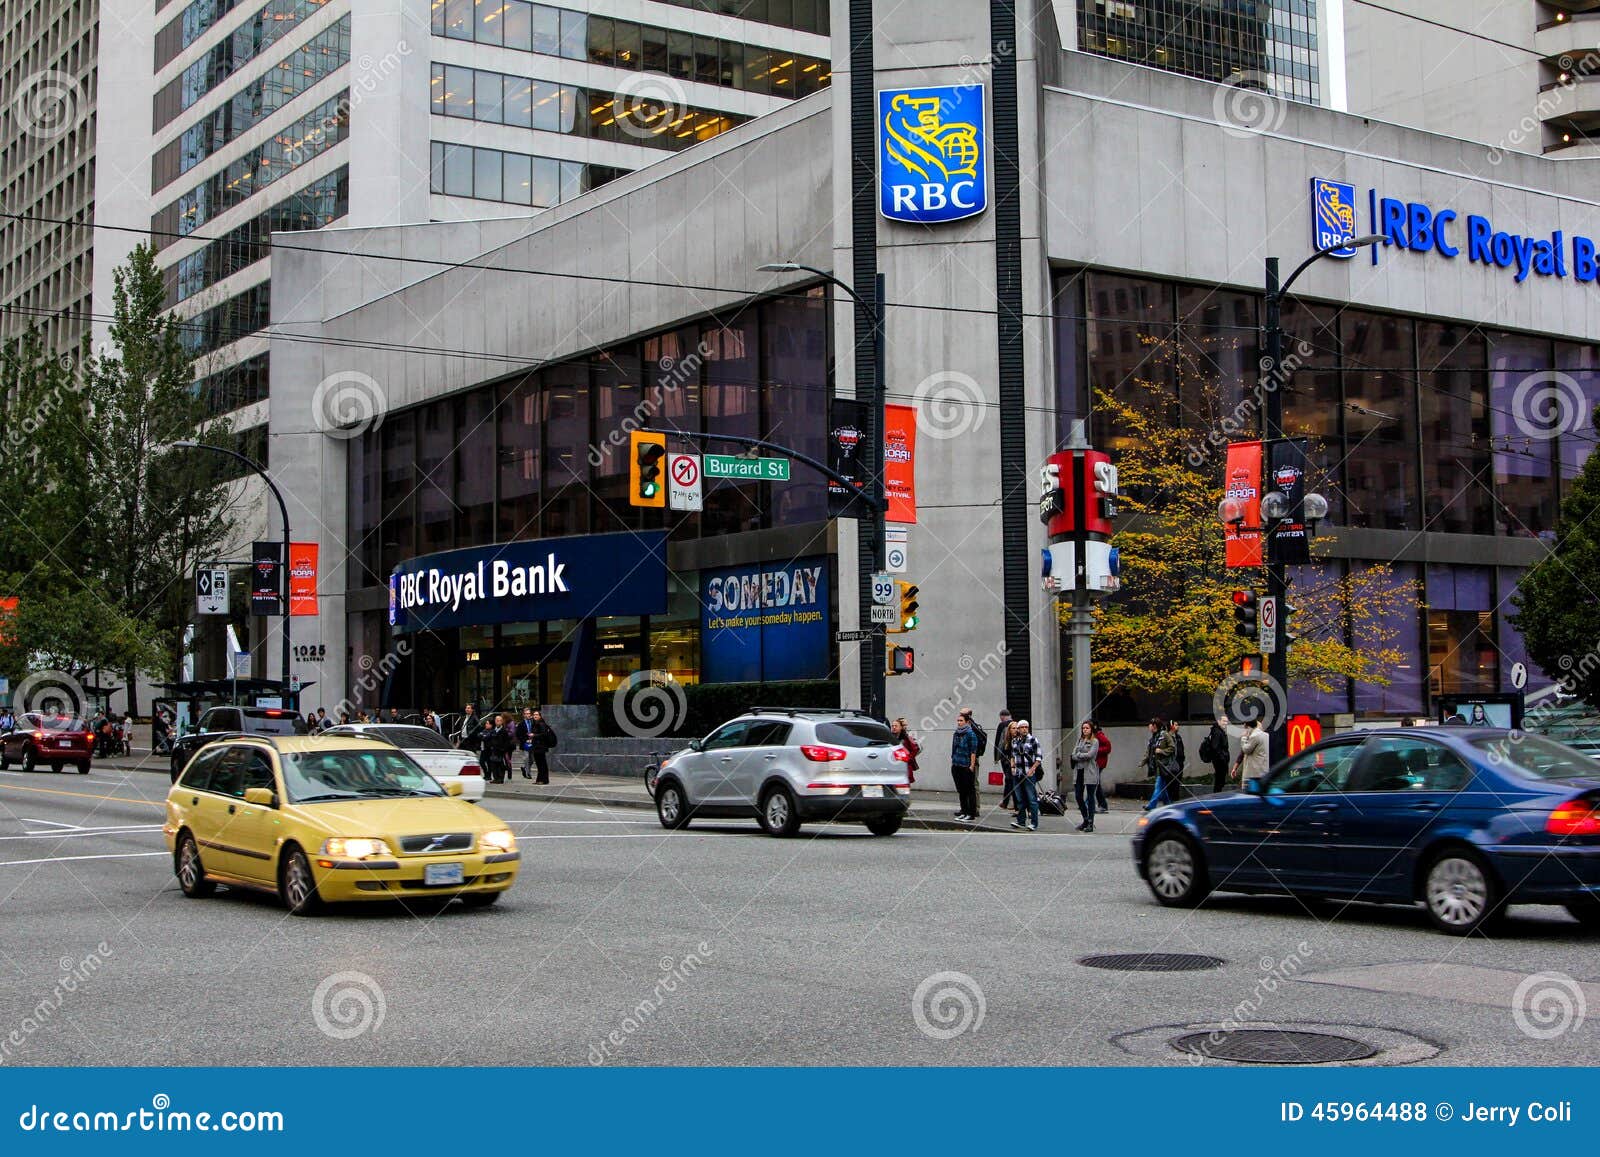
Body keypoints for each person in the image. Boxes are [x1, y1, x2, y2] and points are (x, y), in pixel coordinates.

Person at [1008, 719, 1042, 832]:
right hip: (1017, 773)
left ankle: (1034, 823)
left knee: (1031, 798)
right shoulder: (1014, 741)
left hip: (1028, 773)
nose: (1024, 729)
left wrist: (1032, 770)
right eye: (1022, 727)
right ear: (1018, 729)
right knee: (1020, 798)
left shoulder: (1033, 740)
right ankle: (1021, 821)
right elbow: (1012, 755)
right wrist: (1012, 768)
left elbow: (1038, 757)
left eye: (1026, 727)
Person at [949, 708, 982, 822]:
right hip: (956, 764)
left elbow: (973, 751)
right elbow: (954, 748)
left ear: (967, 722)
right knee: (961, 790)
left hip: (966, 765)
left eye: (961, 720)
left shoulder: (970, 734)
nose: (959, 723)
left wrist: (971, 766)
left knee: (970, 790)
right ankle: (964, 810)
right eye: (958, 720)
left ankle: (971, 813)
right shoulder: (956, 734)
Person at [1142, 717, 1178, 811]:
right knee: (1162, 788)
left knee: (1158, 786)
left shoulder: (1164, 735)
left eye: (1150, 725)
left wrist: (1162, 751)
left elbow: (1172, 748)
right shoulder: (1153, 737)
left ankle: (1151, 805)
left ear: (1154, 725)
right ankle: (1168, 804)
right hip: (1156, 766)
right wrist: (1143, 762)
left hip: (1163, 766)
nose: (1148, 727)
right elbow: (1149, 751)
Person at [1070, 721, 1100, 832]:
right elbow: (1073, 755)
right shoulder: (1080, 740)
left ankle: (1091, 822)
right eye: (1083, 728)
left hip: (1090, 772)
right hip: (1079, 771)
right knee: (1078, 796)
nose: (1085, 730)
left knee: (1091, 797)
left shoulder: (1095, 741)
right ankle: (1085, 819)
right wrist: (1079, 756)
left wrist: (1079, 755)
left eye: (1087, 728)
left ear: (1091, 729)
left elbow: (1090, 755)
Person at [1232, 718, 1270, 784]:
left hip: (1253, 774)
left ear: (1248, 727)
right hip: (1263, 771)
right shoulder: (1266, 736)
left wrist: (1243, 738)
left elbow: (1245, 750)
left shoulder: (1254, 737)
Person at [481, 712, 514, 784]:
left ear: (502, 722)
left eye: (499, 720)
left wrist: (503, 749)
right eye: (496, 720)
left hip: (500, 750)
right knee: (493, 764)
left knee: (500, 764)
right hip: (494, 750)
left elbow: (506, 742)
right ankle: (496, 778)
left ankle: (500, 778)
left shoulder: (504, 731)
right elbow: (488, 738)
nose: (497, 722)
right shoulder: (493, 730)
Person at [1204, 714, 1231, 792]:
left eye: (1226, 721)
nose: (1225, 723)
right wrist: (1223, 758)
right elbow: (1215, 747)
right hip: (1220, 761)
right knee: (1219, 783)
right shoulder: (1217, 732)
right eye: (1224, 721)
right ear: (1219, 721)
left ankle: (1217, 797)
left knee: (1220, 782)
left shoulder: (1219, 731)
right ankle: (1216, 798)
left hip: (1220, 760)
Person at [890, 717, 920, 785]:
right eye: (892, 726)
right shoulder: (889, 738)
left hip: (904, 766)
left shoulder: (907, 738)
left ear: (901, 727)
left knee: (904, 785)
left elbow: (915, 749)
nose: (894, 727)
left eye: (896, 726)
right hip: (893, 765)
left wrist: (908, 758)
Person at [994, 707, 1014, 808]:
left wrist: (996, 757)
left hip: (1005, 757)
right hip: (1015, 758)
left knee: (1008, 779)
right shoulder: (1016, 725)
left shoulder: (1002, 725)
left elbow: (999, 742)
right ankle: (1015, 803)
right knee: (1013, 779)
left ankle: (1006, 802)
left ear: (1002, 717)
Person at [1092, 721, 1111, 813]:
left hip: (1099, 762)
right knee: (1096, 783)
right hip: (1095, 762)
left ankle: (1101, 804)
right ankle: (1100, 804)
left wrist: (1096, 750)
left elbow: (1108, 747)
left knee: (1095, 783)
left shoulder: (1099, 735)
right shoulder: (1093, 735)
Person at [1168, 718, 1187, 800]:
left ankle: (1175, 799)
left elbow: (1181, 748)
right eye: (1176, 725)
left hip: (1179, 763)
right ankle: (1171, 800)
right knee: (1171, 784)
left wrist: (1182, 759)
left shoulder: (1178, 737)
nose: (1178, 726)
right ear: (1171, 726)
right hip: (1172, 764)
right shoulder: (1167, 737)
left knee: (1177, 783)